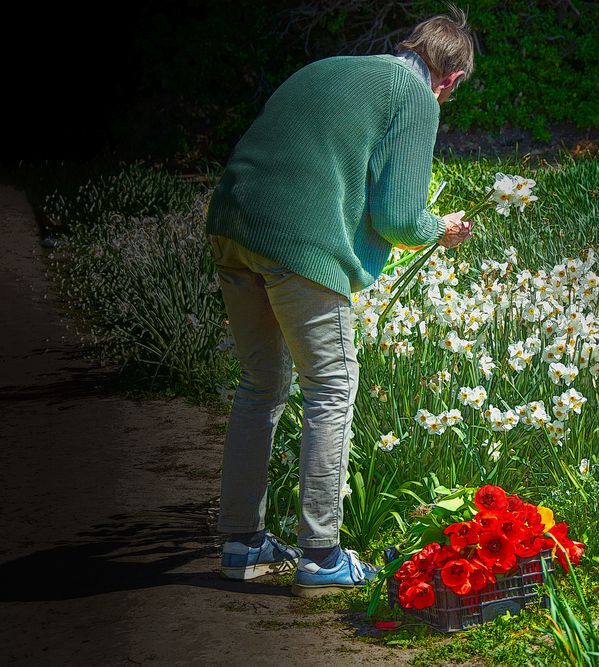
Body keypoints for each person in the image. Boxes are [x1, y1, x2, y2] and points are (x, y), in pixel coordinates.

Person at [205, 7, 475, 597]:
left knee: (260, 385)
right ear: (449, 79)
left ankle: (241, 543)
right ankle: (321, 553)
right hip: (297, 241)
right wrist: (440, 226)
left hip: (230, 222)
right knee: (330, 384)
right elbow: (400, 216)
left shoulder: (331, 67)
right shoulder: (415, 92)